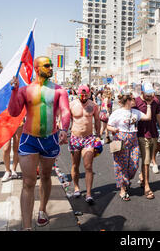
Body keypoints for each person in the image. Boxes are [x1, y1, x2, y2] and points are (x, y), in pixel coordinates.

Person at [8, 56, 71, 230]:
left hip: (50, 139)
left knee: (45, 176)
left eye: (51, 65)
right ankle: (26, 227)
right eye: (47, 65)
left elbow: (65, 111)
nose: (51, 67)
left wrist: (64, 129)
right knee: (28, 182)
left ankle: (42, 210)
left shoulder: (59, 90)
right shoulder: (24, 90)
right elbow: (13, 112)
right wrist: (13, 91)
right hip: (29, 140)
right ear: (37, 68)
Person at [107, 90, 152, 201]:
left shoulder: (135, 112)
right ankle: (123, 189)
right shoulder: (117, 113)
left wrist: (149, 105)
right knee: (121, 165)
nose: (135, 100)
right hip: (121, 139)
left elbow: (148, 117)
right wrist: (114, 129)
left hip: (133, 139)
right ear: (127, 100)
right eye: (132, 99)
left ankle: (126, 180)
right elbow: (109, 125)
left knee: (134, 164)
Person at [69, 85, 101, 204]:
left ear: (88, 94)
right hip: (75, 138)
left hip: (88, 138)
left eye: (85, 96)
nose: (83, 98)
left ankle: (88, 193)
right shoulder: (72, 104)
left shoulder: (93, 105)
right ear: (77, 94)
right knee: (75, 165)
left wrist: (98, 134)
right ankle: (77, 187)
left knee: (88, 166)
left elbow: (97, 120)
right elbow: (67, 119)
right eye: (81, 96)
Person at [133, 82, 160, 199]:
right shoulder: (136, 102)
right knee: (146, 161)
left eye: (151, 94)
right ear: (142, 92)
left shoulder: (155, 101)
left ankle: (142, 178)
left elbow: (158, 116)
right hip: (142, 135)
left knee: (148, 159)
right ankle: (147, 186)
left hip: (154, 134)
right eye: (147, 95)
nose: (150, 97)